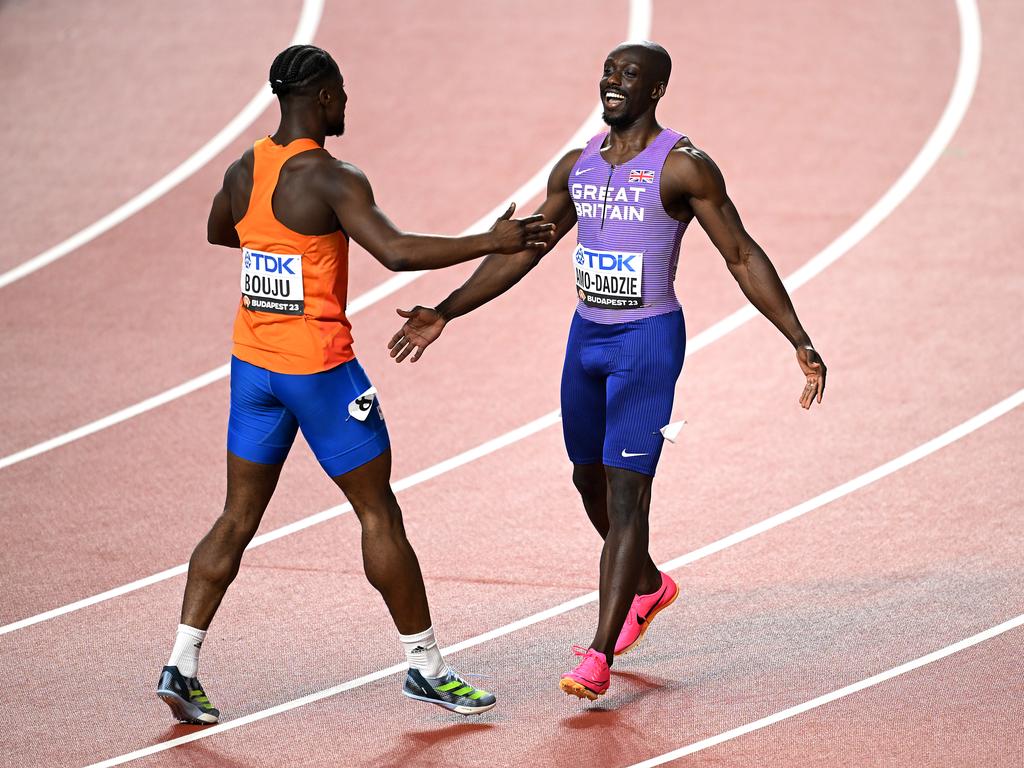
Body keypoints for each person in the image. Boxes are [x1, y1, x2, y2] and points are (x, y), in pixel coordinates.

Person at [387, 41, 827, 701]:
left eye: (630, 76)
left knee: (628, 498)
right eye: (609, 72)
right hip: (587, 339)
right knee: (585, 477)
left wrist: (797, 337)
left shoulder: (683, 168)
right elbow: (525, 252)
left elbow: (739, 253)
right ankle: (648, 585)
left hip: (647, 343)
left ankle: (599, 653)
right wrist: (448, 310)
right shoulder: (578, 165)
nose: (614, 82)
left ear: (656, 91)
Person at [156, 44, 554, 724]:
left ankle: (181, 663)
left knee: (237, 517)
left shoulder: (244, 167)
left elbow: (222, 230)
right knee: (378, 515)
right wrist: (494, 239)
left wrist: (277, 249)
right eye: (342, 93)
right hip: (319, 371)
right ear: (323, 97)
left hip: (253, 369)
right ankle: (426, 667)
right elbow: (397, 252)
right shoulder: (334, 178)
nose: (348, 105)